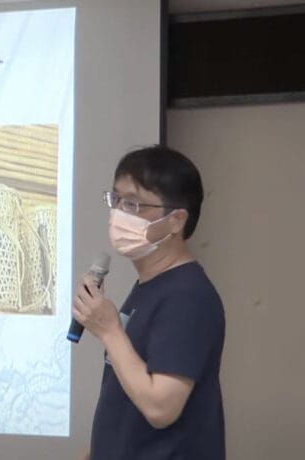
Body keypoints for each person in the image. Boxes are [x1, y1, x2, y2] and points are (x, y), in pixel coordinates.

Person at [75, 145, 226, 460]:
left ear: (176, 220)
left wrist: (110, 330)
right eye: (116, 200)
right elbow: (123, 397)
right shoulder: (149, 287)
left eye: (133, 204)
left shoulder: (187, 296)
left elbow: (161, 408)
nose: (118, 214)